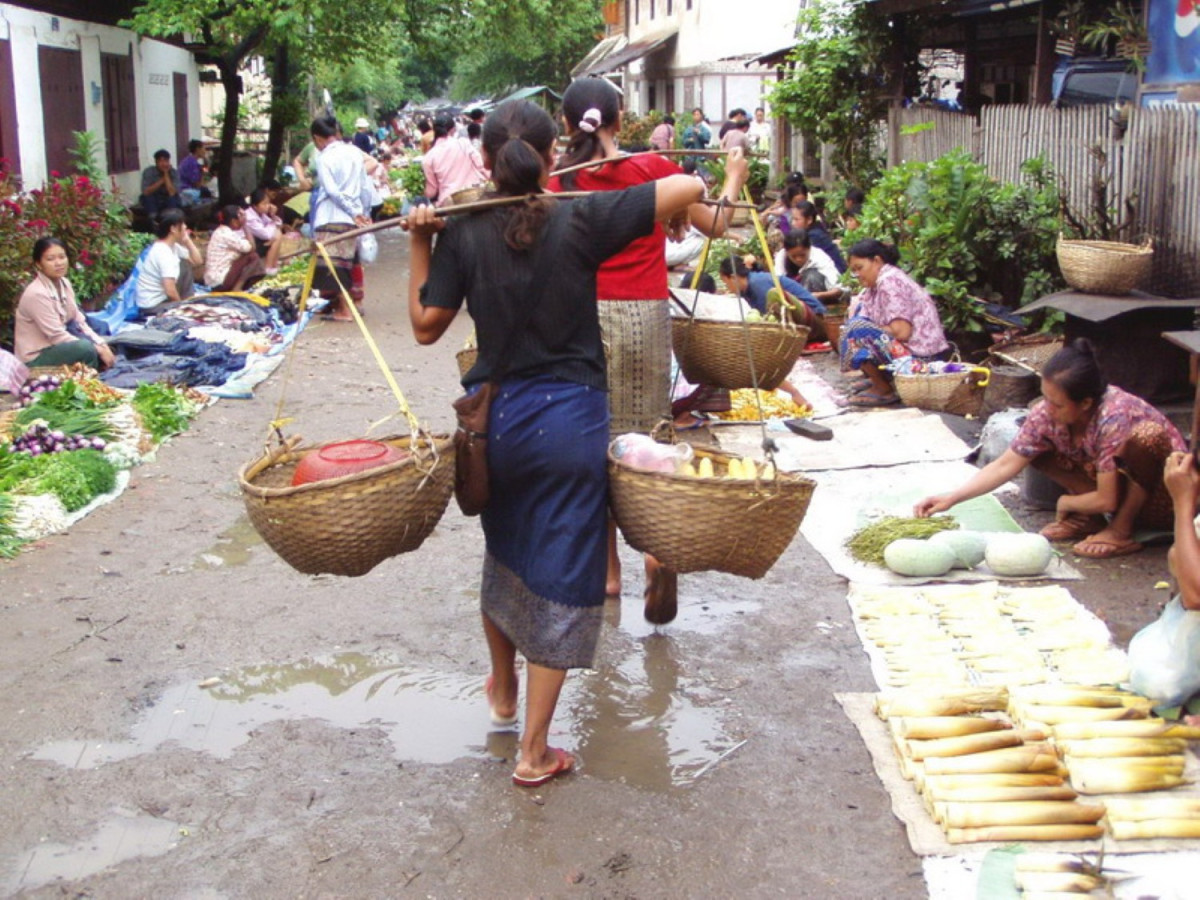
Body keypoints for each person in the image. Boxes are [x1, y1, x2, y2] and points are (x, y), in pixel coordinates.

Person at [405, 98, 705, 788]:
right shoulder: (582, 216)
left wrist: (423, 235)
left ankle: (503, 692)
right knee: (563, 581)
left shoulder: (464, 232)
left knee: (507, 559)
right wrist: (621, 169)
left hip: (499, 426)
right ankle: (534, 752)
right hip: (571, 424)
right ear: (551, 156)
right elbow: (687, 186)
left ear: (483, 159)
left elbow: (425, 326)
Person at [547, 77, 750, 624]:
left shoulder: (555, 182)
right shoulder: (656, 172)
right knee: (648, 439)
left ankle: (608, 570)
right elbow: (720, 224)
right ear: (620, 119)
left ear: (567, 125)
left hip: (577, 317)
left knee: (594, 442)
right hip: (641, 315)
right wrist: (732, 175)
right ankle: (658, 553)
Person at [915, 339, 1186, 558]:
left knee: (1146, 437)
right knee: (1033, 447)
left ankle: (1120, 531)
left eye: (1057, 404)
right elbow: (1006, 464)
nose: (1047, 408)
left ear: (1085, 403)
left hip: (1162, 499)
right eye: (1045, 398)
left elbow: (1107, 500)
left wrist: (1066, 502)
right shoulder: (1047, 415)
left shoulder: (1114, 415)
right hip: (1112, 491)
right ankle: (1092, 520)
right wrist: (950, 498)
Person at [840, 238, 949, 407]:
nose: (858, 275)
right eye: (854, 271)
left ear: (876, 261)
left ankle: (883, 388)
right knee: (855, 325)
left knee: (858, 329)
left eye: (859, 268)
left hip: (923, 358)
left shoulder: (890, 281)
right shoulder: (874, 286)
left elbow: (902, 332)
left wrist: (863, 330)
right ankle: (880, 380)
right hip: (908, 353)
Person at [14, 237, 115, 369]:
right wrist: (96, 348)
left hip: (57, 347)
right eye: (50, 259)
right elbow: (56, 335)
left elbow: (79, 321)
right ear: (39, 264)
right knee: (86, 348)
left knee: (100, 333)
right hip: (36, 357)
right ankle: (87, 382)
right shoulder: (37, 293)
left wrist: (101, 344)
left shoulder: (64, 283)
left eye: (62, 257)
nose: (58, 263)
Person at [309, 115, 371, 321]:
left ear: (318, 138)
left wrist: (353, 211)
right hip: (353, 216)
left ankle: (345, 309)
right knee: (349, 262)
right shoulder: (354, 152)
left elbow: (332, 191)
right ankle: (347, 305)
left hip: (332, 215)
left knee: (334, 266)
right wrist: (363, 212)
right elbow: (364, 187)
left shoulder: (324, 157)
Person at [133, 208, 202, 313]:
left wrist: (188, 241)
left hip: (162, 299)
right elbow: (170, 290)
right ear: (173, 228)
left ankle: (187, 301)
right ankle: (186, 303)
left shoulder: (173, 247)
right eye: (182, 224)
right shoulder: (163, 252)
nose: (185, 227)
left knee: (184, 264)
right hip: (153, 305)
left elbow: (197, 262)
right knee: (183, 265)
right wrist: (181, 308)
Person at [422, 112, 488, 207]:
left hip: (449, 204)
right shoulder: (464, 144)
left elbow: (431, 192)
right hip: (475, 195)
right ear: (453, 129)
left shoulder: (428, 157)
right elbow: (482, 166)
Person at [774, 229, 844, 305]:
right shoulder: (781, 257)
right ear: (787, 252)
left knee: (812, 276)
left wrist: (819, 295)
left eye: (802, 255)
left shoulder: (819, 257)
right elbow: (778, 281)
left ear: (809, 248)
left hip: (818, 298)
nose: (798, 259)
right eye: (793, 256)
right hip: (792, 299)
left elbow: (840, 288)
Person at [205, 205, 266, 292]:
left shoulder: (221, 231)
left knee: (253, 262)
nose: (244, 218)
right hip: (219, 280)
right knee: (253, 257)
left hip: (217, 279)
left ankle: (240, 287)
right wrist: (245, 225)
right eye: (241, 216)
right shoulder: (226, 233)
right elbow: (251, 247)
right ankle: (237, 288)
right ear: (234, 221)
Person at [790, 200, 846, 272]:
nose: (793, 223)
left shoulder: (815, 236)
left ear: (809, 220)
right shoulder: (812, 231)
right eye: (793, 219)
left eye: (796, 219)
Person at [243, 187, 285, 274]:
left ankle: (273, 264)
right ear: (255, 206)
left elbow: (279, 224)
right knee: (277, 235)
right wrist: (274, 227)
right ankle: (268, 267)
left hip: (258, 240)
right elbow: (267, 234)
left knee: (277, 234)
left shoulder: (261, 214)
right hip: (249, 244)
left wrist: (273, 215)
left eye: (268, 203)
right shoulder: (249, 217)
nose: (268, 206)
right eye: (264, 204)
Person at [140, 149, 182, 220]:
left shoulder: (173, 172)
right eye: (161, 161)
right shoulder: (149, 171)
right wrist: (162, 180)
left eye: (166, 161)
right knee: (147, 198)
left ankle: (171, 219)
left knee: (173, 199)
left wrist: (166, 173)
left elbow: (171, 192)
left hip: (167, 198)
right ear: (156, 162)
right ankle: (153, 220)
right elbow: (146, 192)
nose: (164, 164)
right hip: (154, 198)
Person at [178, 140, 211, 205]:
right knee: (207, 193)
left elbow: (205, 171)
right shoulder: (192, 163)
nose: (205, 151)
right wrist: (203, 173)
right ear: (198, 149)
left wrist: (206, 165)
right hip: (187, 191)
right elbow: (198, 185)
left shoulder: (189, 160)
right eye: (203, 148)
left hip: (185, 190)